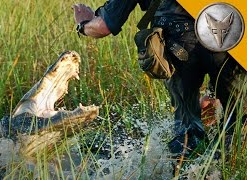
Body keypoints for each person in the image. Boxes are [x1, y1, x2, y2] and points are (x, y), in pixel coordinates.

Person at [72, 0, 247, 158]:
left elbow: (103, 27)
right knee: (238, 119)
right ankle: (227, 163)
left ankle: (188, 170)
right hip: (228, 42)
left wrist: (83, 24)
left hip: (179, 46)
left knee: (187, 132)